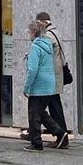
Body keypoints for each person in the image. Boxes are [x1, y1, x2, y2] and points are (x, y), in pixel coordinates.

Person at [22, 19, 67, 152]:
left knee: (34, 115)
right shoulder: (47, 45)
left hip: (38, 86)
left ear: (34, 32)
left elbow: (32, 70)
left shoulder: (35, 47)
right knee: (41, 113)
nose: (28, 34)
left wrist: (27, 87)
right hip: (49, 84)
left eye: (29, 32)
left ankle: (36, 143)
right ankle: (60, 133)